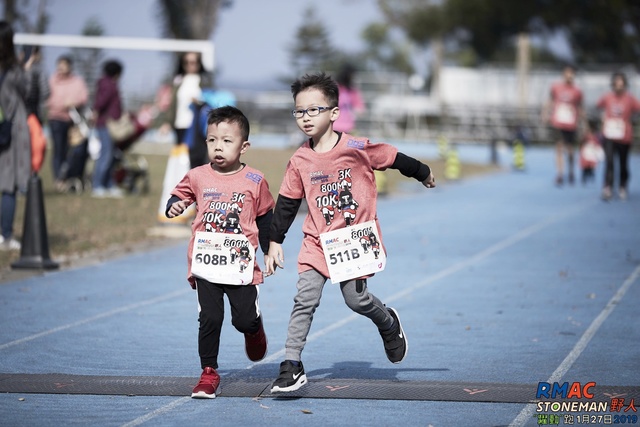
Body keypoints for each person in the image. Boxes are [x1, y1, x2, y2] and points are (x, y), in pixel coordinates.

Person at [265, 72, 436, 393]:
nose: (305, 118)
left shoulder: (356, 147)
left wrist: (422, 172)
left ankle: (387, 321)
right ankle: (291, 364)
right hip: (317, 242)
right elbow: (287, 203)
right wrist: (275, 241)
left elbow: (393, 157)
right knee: (304, 300)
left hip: (354, 241)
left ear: (333, 112)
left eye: (314, 110)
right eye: (299, 111)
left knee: (356, 301)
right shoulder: (299, 159)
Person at [165, 105, 275, 399]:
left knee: (243, 320)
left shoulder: (255, 180)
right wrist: (174, 205)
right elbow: (180, 195)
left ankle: (254, 329)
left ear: (244, 146)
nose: (218, 147)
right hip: (206, 264)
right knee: (210, 318)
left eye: (227, 141)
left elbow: (265, 217)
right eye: (212, 140)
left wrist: (269, 250)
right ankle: (208, 373)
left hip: (239, 266)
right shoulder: (198, 175)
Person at [0, 21, 32, 251]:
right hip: (10, 128)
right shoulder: (14, 70)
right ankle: (5, 235)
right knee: (8, 185)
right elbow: (27, 92)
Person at [46, 55, 88, 190]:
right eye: (59, 65)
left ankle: (70, 176)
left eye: (63, 65)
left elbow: (83, 97)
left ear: (70, 66)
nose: (61, 68)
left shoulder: (77, 81)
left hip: (72, 121)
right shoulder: (53, 80)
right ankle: (59, 180)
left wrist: (73, 102)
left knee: (72, 151)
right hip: (56, 119)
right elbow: (47, 99)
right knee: (58, 150)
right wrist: (62, 104)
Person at [169, 51, 213, 168]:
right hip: (180, 124)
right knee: (181, 157)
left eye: (193, 62)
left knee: (196, 157)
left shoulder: (204, 80)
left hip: (197, 126)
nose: (190, 65)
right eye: (186, 62)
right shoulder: (178, 80)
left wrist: (198, 102)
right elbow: (172, 104)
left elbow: (211, 100)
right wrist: (168, 122)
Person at [542, 64, 585, 187]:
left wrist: (583, 124)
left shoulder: (577, 91)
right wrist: (545, 113)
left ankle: (571, 170)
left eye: (571, 73)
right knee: (559, 148)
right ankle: (560, 174)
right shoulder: (556, 87)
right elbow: (550, 101)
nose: (569, 75)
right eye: (567, 73)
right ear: (563, 74)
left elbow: (581, 107)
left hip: (571, 124)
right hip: (558, 122)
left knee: (570, 149)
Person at [92, 59, 124, 198]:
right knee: (105, 156)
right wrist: (96, 110)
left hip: (108, 124)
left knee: (110, 156)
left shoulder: (106, 83)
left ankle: (109, 185)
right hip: (106, 124)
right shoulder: (108, 85)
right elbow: (101, 102)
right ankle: (97, 185)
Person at [333, 63, 365, 134]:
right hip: (333, 126)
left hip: (348, 127)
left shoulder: (353, 91)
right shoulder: (335, 87)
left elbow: (360, 108)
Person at [579, 119, 604, 185]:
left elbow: (599, 144)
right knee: (585, 166)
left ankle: (591, 173)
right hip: (586, 153)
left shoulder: (597, 136)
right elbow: (581, 142)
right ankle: (584, 176)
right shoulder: (586, 136)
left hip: (592, 154)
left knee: (592, 165)